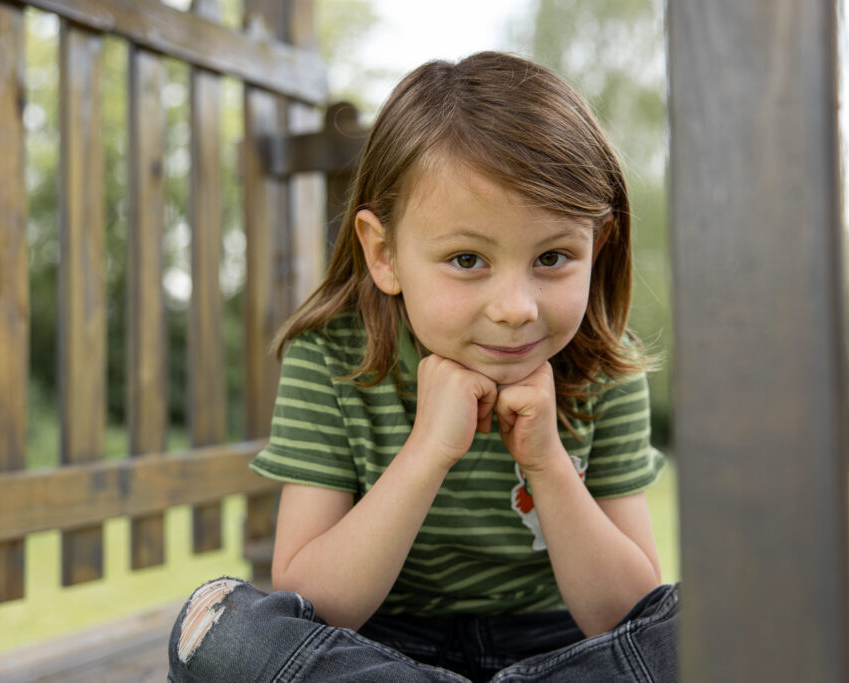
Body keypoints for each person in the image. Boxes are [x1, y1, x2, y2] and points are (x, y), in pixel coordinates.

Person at [168, 51, 678, 683]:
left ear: (597, 246)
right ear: (384, 254)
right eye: (467, 260)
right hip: (376, 652)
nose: (516, 309)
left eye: (552, 258)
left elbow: (629, 616)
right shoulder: (331, 358)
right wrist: (428, 451)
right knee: (216, 627)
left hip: (562, 650)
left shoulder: (604, 363)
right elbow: (311, 605)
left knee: (717, 615)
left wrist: (547, 462)